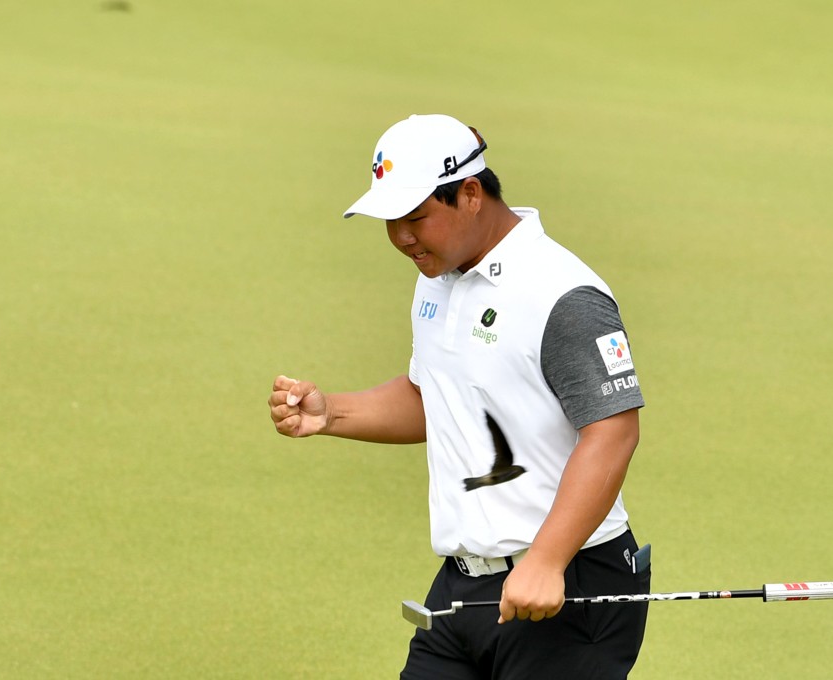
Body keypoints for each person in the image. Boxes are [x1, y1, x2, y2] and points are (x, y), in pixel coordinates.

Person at [268, 114, 650, 679]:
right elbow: (436, 396)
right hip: (462, 587)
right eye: (389, 221)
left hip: (567, 584)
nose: (401, 238)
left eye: (415, 217)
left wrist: (546, 560)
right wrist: (333, 413)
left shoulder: (561, 293)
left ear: (470, 194)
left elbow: (614, 430)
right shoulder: (438, 278)